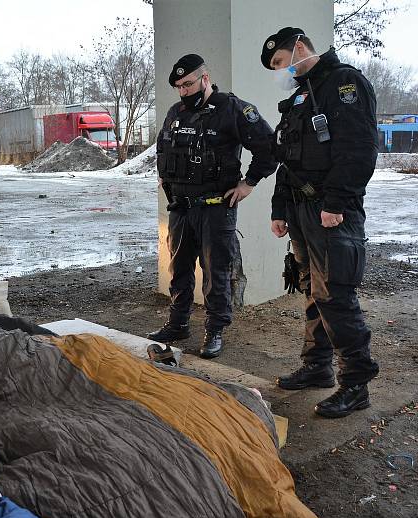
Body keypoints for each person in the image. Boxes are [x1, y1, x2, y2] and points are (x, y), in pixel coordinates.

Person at [261, 28, 380, 418]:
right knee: (312, 289)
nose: (280, 70)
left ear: (298, 47)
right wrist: (280, 209)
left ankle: (355, 384)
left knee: (336, 296)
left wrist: (337, 202)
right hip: (300, 212)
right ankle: (317, 367)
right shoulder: (300, 95)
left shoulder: (344, 83)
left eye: (280, 62)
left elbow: (359, 149)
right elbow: (287, 159)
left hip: (331, 213)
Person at [147, 54, 276, 358]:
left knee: (215, 271)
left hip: (216, 208)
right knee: (178, 269)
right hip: (180, 207)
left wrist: (248, 184)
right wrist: (164, 178)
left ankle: (214, 330)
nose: (183, 91)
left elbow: (269, 149)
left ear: (205, 78)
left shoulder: (232, 109)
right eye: (179, 86)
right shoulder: (175, 112)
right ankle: (178, 323)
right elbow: (164, 148)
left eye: (188, 84)